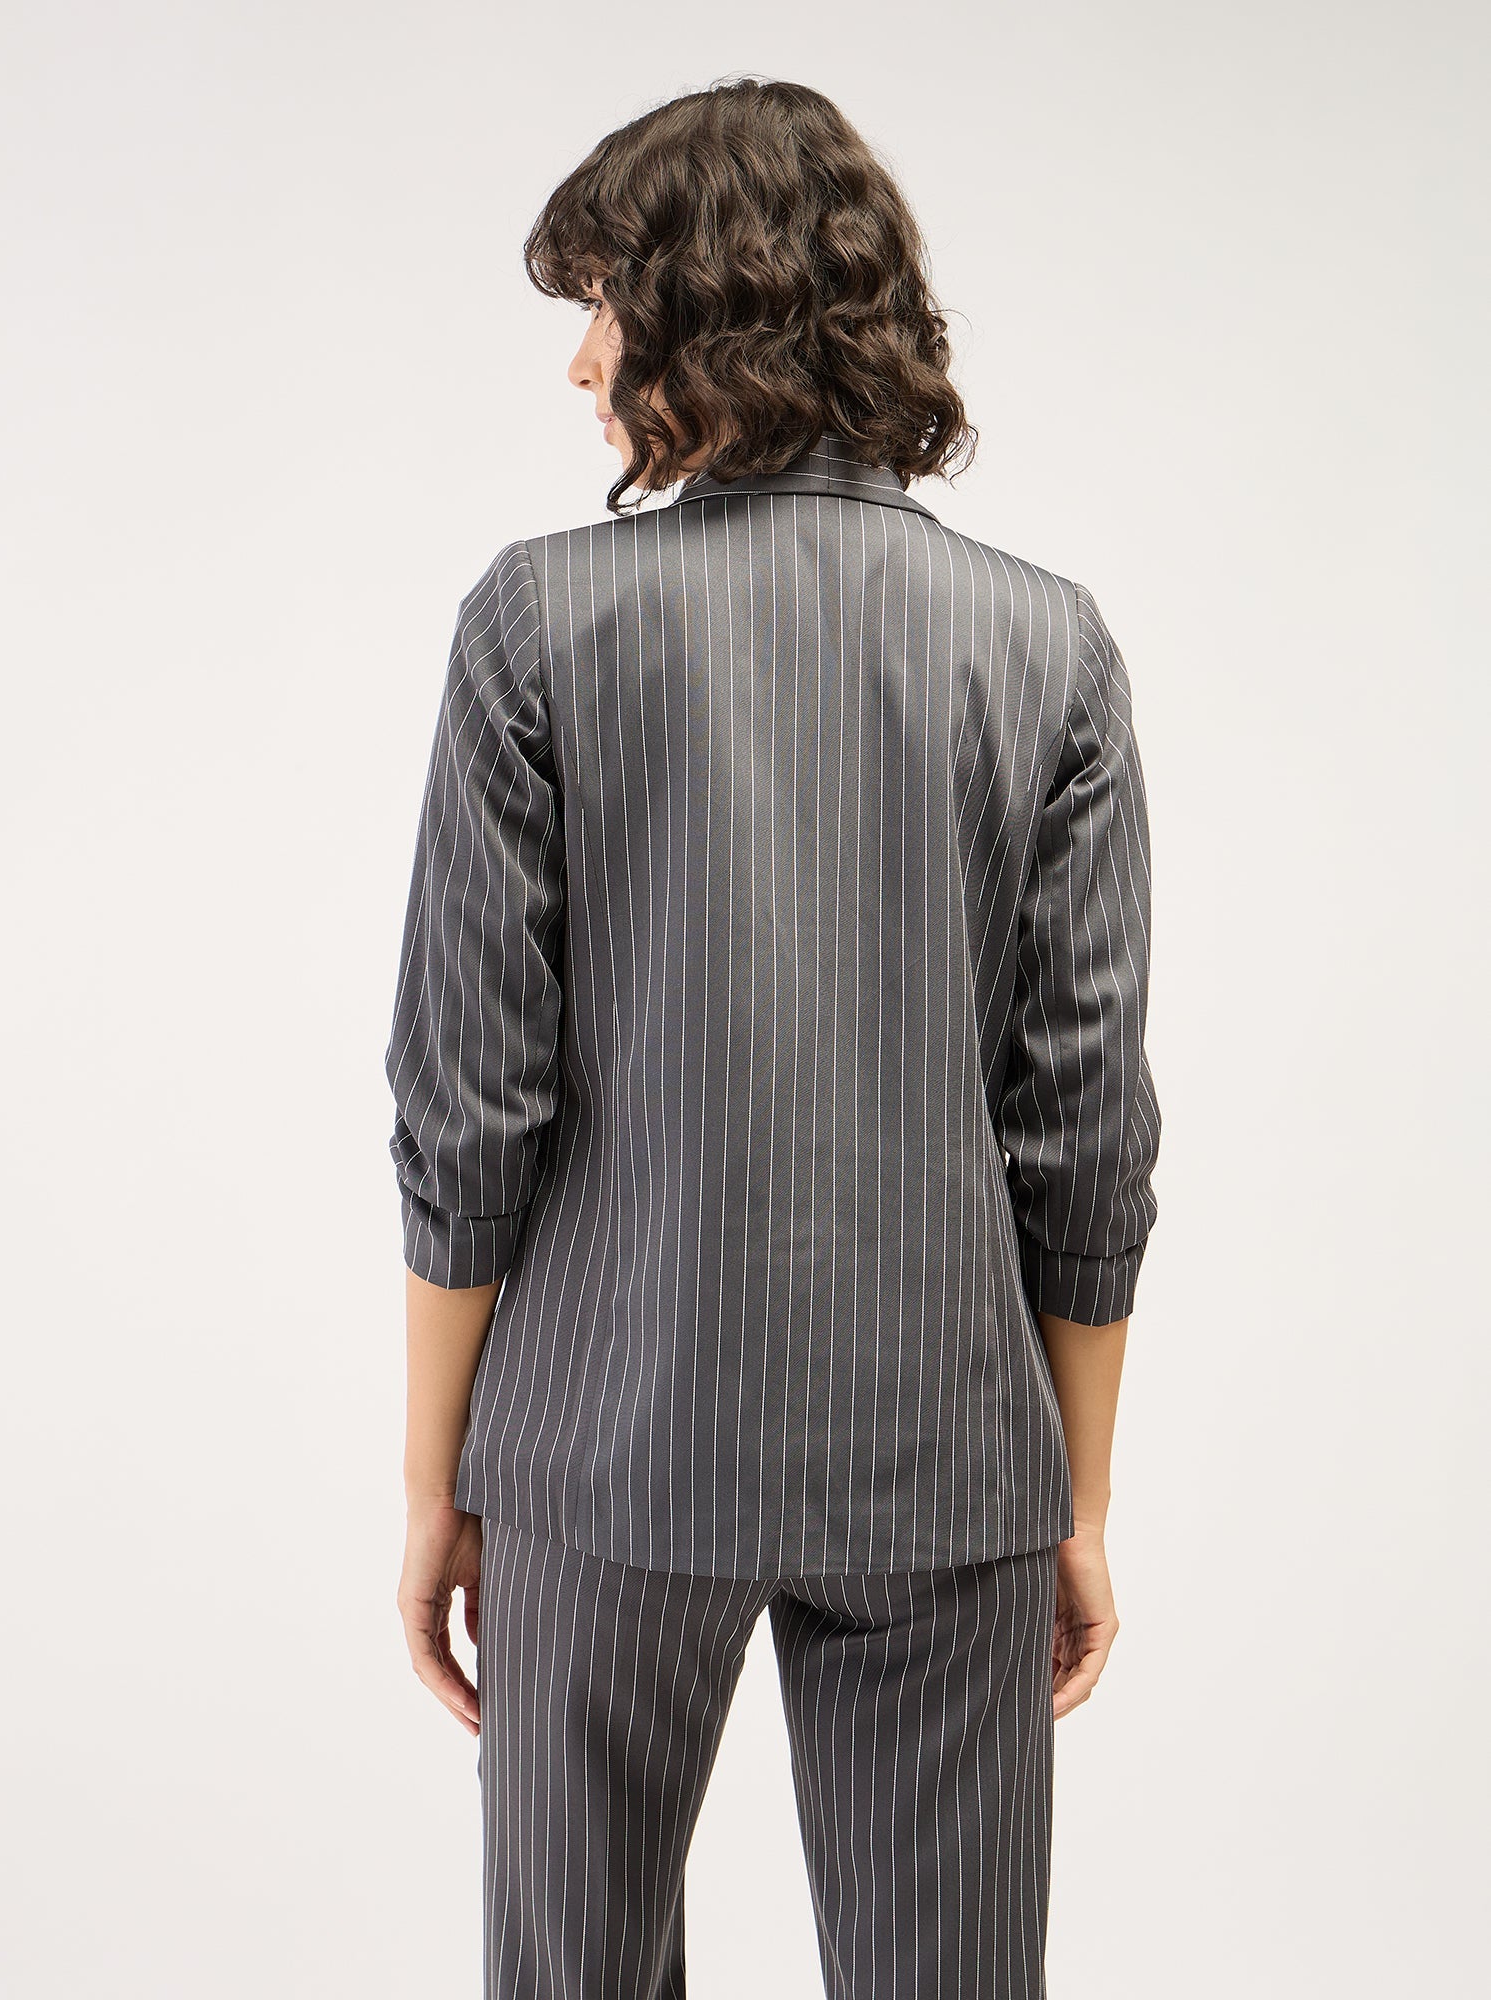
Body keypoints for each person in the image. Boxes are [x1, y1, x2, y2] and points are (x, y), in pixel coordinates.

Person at [384, 74, 1161, 2000]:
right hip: (947, 1456)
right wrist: (1075, 1500)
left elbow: (468, 1113)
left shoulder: (538, 626)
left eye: (601, 305)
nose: (580, 362)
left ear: (703, 309)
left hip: (604, 1446)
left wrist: (436, 1480)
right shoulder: (1047, 647)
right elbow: (1084, 1140)